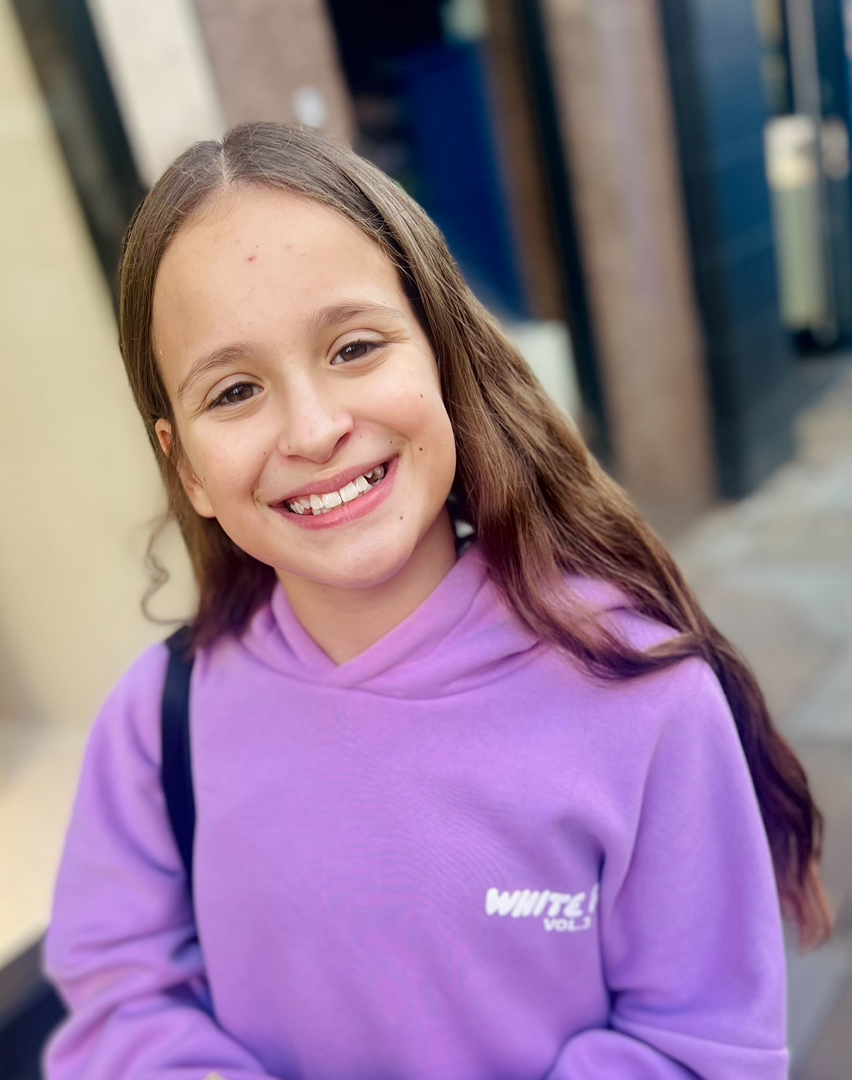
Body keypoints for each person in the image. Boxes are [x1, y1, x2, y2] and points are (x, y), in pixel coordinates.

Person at [44, 122, 830, 1080]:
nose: (314, 429)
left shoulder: (643, 695)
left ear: (443, 360)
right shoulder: (156, 722)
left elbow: (699, 1046)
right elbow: (117, 1000)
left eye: (354, 347)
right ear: (187, 469)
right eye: (236, 391)